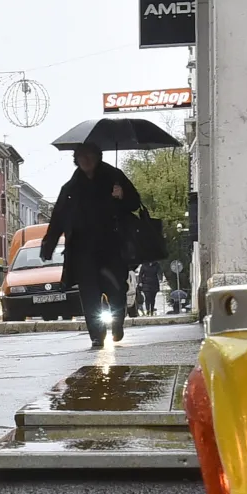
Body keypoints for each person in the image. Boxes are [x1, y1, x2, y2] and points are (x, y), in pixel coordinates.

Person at [40, 143, 141, 347]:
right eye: (81, 156)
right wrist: (48, 245)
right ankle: (96, 334)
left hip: (113, 247)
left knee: (116, 289)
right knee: (89, 294)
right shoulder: (70, 188)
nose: (86, 159)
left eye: (90, 155)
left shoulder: (115, 177)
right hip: (82, 251)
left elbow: (135, 203)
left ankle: (118, 323)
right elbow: (58, 217)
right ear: (76, 159)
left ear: (98, 156)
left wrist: (123, 196)